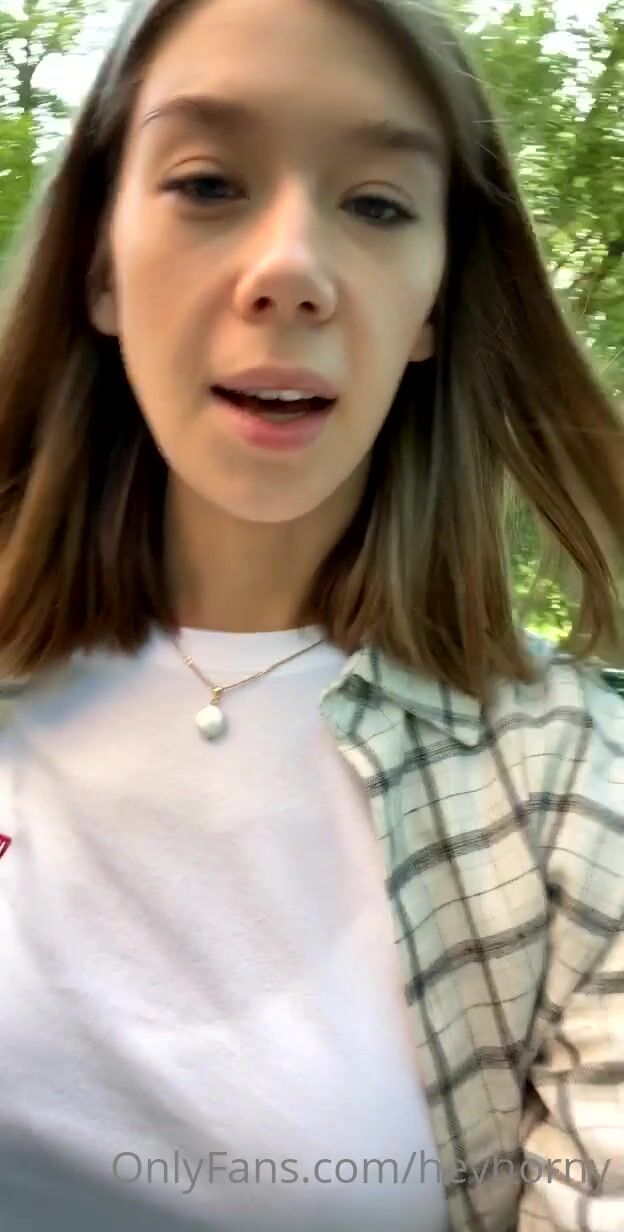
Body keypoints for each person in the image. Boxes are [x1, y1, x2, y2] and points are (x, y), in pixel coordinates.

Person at [0, 0, 622, 1228]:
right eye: (207, 183)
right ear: (100, 266)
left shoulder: (580, 792)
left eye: (377, 204)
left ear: (435, 304)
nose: (289, 268)